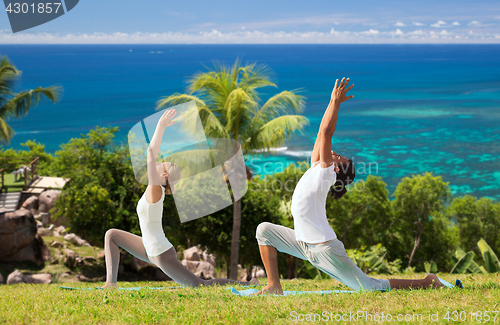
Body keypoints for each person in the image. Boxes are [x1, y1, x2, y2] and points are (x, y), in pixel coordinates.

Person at [254, 78, 444, 295]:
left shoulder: (326, 173)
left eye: (339, 157)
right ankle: (273, 286)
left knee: (370, 287)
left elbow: (327, 133)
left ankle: (428, 282)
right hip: (303, 244)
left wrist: (336, 103)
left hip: (325, 249)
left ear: (337, 170)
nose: (334, 153)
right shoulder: (317, 166)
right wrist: (330, 101)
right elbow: (319, 134)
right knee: (264, 230)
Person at [102, 108, 257, 289]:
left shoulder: (155, 190)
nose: (158, 164)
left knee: (199, 285)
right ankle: (110, 284)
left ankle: (246, 284)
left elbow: (150, 153)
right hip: (147, 248)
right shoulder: (152, 189)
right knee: (111, 234)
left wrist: (160, 126)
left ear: (164, 176)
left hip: (161, 252)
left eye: (162, 165)